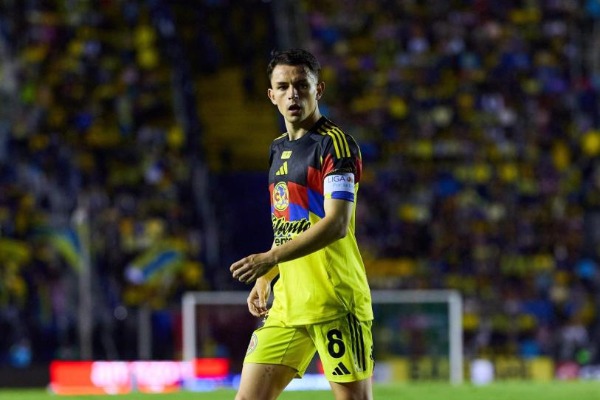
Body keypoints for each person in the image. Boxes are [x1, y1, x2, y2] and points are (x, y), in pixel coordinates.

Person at [229, 48, 374, 400]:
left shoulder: (335, 145)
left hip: (333, 301)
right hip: (287, 306)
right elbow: (288, 224)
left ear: (317, 90)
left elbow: (337, 224)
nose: (293, 94)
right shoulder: (277, 149)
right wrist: (267, 276)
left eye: (301, 85)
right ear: (271, 95)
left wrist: (269, 258)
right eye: (283, 86)